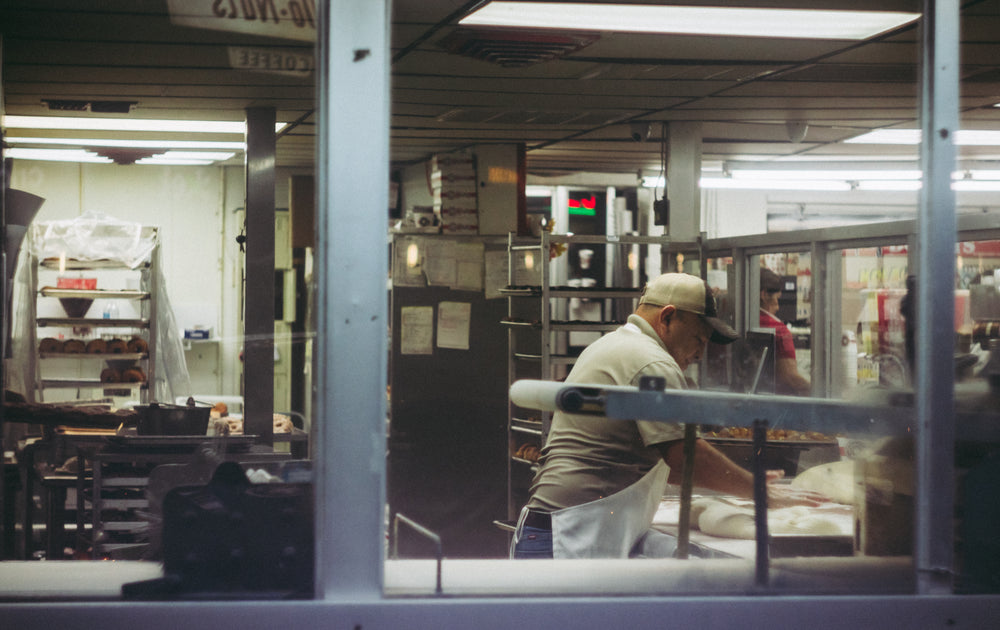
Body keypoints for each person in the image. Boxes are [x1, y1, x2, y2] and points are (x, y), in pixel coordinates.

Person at [512, 272, 827, 559]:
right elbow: (684, 456)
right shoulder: (651, 362)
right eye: (698, 340)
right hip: (568, 536)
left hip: (559, 528)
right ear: (668, 317)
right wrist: (759, 492)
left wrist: (745, 481)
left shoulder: (619, 344)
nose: (701, 354)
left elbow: (667, 465)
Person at [759, 268, 811, 396]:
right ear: (764, 295)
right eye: (778, 298)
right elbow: (790, 378)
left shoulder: (736, 323)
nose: (777, 306)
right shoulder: (779, 330)